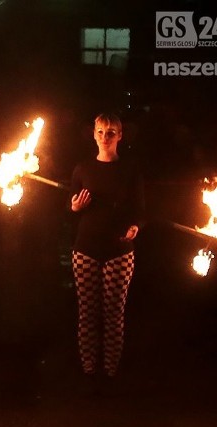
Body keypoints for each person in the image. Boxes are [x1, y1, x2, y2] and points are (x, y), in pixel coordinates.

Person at [70, 113, 145, 384]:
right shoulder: (82, 168)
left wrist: (135, 226)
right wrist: (76, 206)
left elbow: (139, 209)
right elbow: (72, 204)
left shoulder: (130, 170)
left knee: (114, 313)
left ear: (120, 136)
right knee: (87, 312)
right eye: (101, 131)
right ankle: (89, 372)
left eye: (111, 132)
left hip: (120, 250)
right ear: (93, 134)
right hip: (86, 248)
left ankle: (111, 374)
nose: (105, 137)